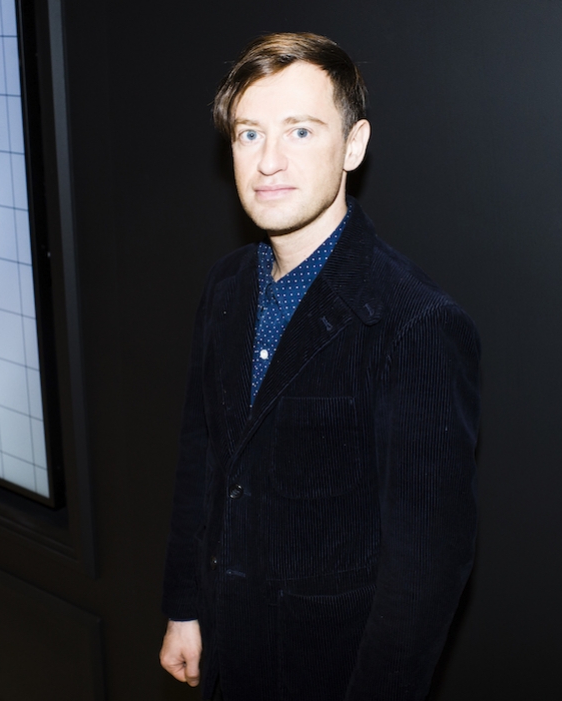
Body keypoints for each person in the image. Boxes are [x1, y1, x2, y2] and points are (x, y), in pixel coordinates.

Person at [160, 32, 480, 701]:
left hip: (327, 672)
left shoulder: (416, 323)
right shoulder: (225, 287)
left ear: (353, 146)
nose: (268, 161)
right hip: (226, 651)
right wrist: (184, 606)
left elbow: (424, 571)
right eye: (249, 134)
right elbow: (203, 459)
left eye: (300, 131)